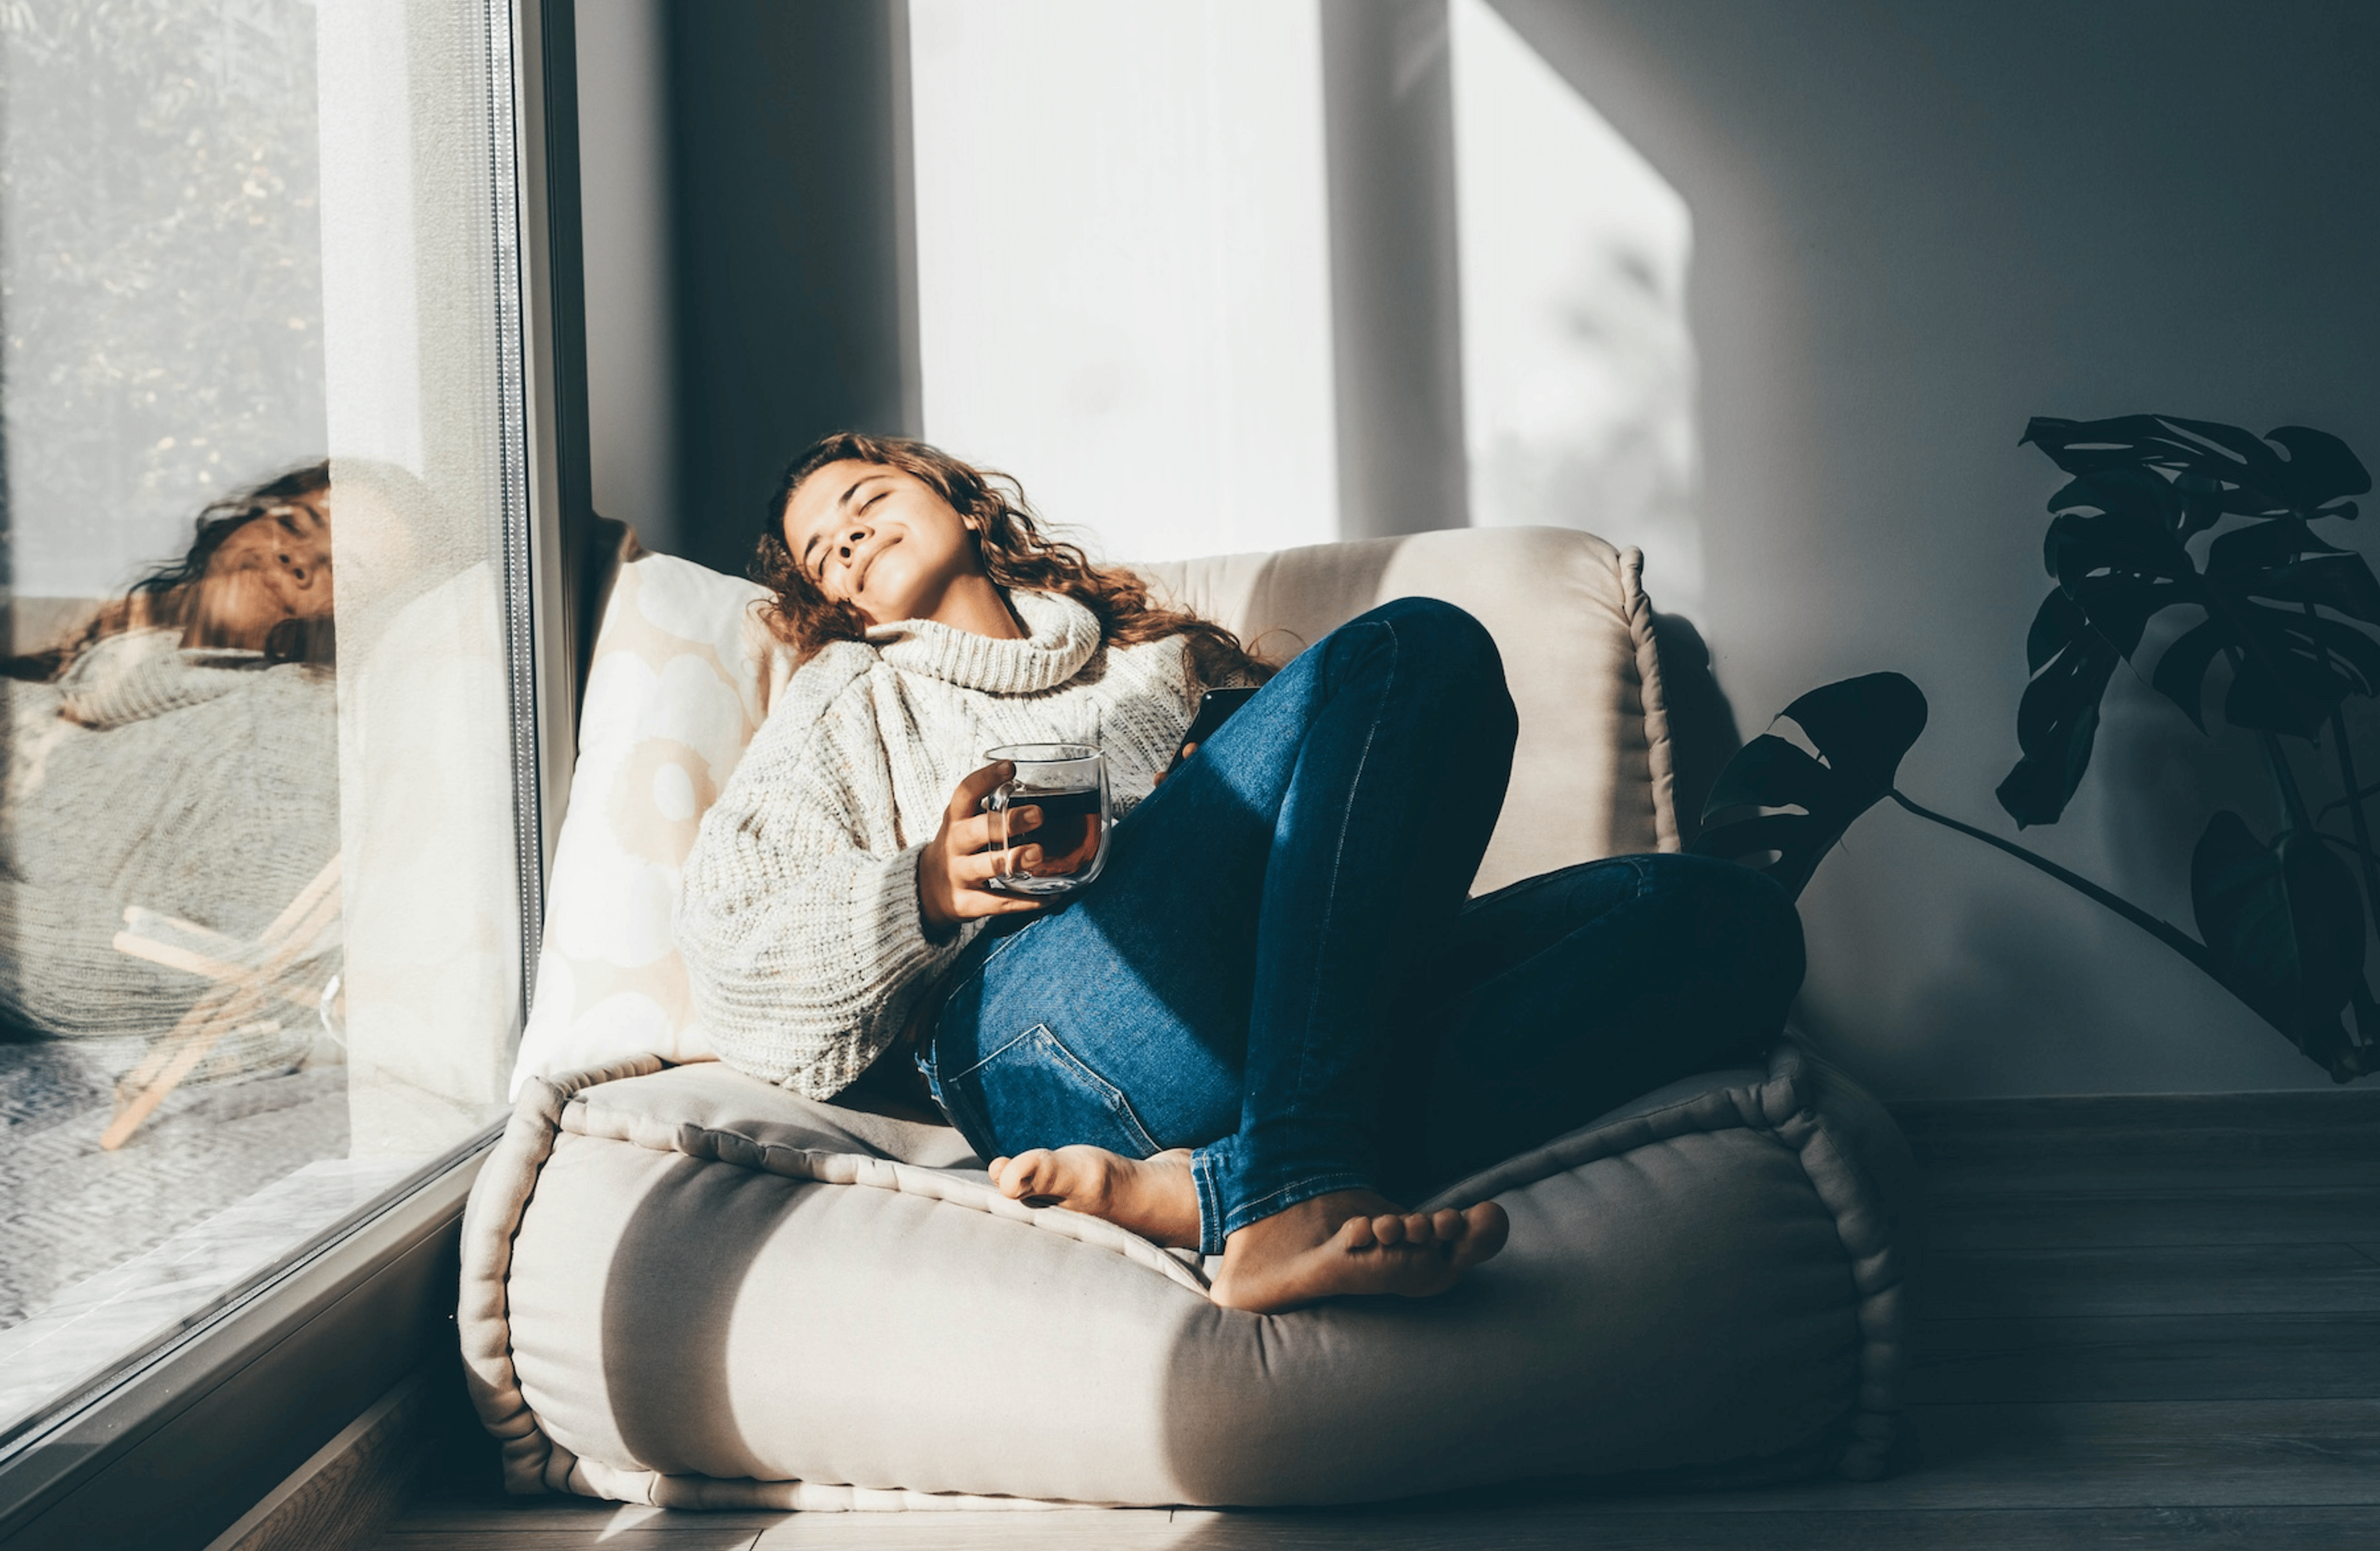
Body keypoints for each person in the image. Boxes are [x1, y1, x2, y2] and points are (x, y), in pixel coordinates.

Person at [676, 432, 1805, 1314]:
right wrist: (924, 888)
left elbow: (1340, 843)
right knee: (1414, 643)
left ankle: (1221, 1187)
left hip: (1278, 1016)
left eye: (865, 499)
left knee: (1725, 922)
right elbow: (729, 946)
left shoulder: (1159, 662)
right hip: (1030, 1039)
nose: (848, 538)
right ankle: (1300, 1184)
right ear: (842, 605)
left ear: (958, 501)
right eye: (824, 552)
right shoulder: (848, 697)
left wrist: (1209, 800)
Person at [0, 463, 342, 1073]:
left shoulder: (292, 720)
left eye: (340, 566)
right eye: (295, 523)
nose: (297, 558)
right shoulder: (118, 652)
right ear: (234, 524)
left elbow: (214, 971)